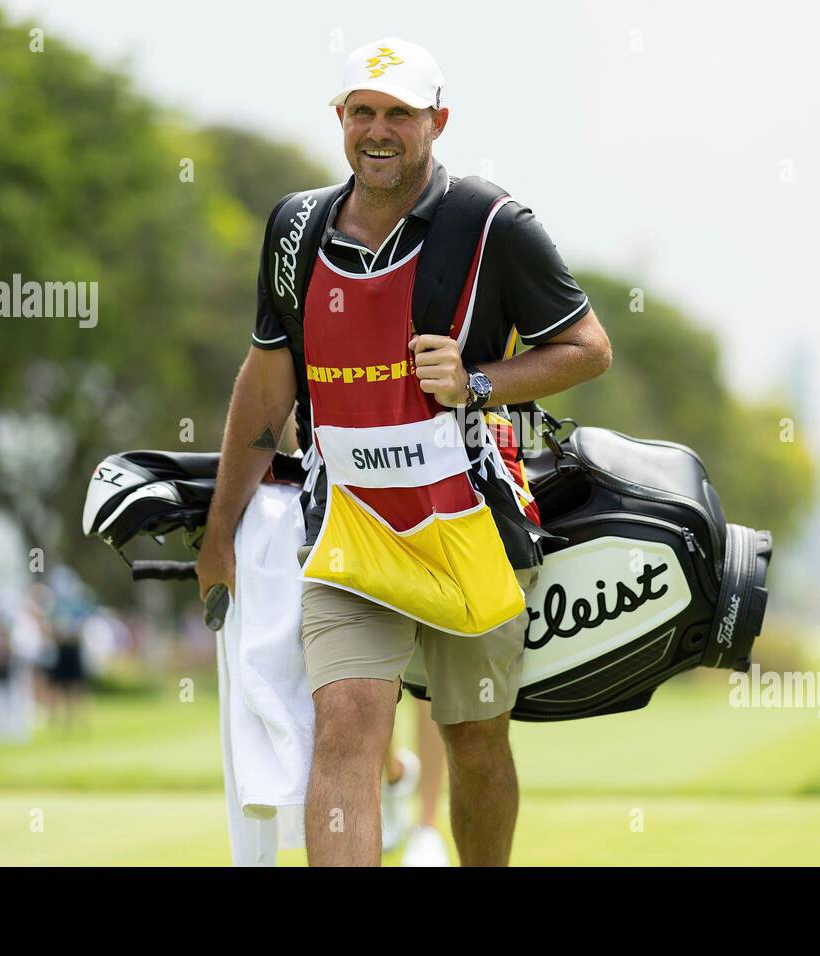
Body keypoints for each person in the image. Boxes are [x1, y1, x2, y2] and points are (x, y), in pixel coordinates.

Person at [197, 36, 611, 866]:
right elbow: (268, 382)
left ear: (437, 122)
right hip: (347, 525)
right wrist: (219, 533)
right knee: (345, 723)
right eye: (362, 113)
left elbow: (587, 348)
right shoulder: (295, 229)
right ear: (339, 120)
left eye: (399, 115)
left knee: (474, 737)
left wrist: (480, 383)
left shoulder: (493, 222)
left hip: (470, 523)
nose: (378, 131)